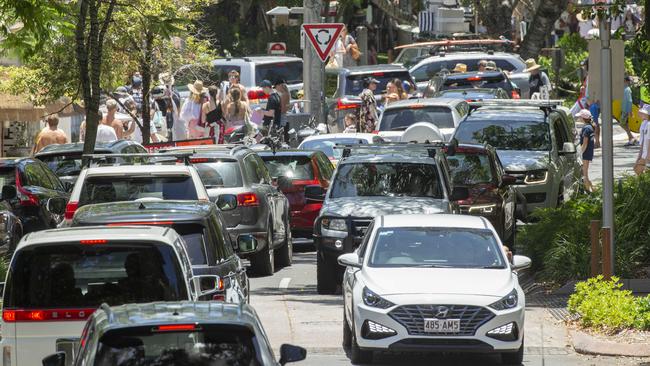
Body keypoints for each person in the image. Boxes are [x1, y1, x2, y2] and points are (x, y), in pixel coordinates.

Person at [576, 109, 595, 192]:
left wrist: (580, 154)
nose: (578, 118)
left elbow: (585, 143)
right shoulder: (589, 127)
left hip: (585, 153)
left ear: (583, 118)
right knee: (585, 173)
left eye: (580, 116)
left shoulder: (586, 129)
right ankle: (594, 190)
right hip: (588, 153)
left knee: (585, 174)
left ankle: (589, 191)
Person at [634, 104, 650, 175]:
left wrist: (647, 156)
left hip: (647, 152)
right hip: (645, 152)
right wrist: (639, 155)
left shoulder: (648, 124)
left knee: (638, 169)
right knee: (637, 169)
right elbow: (643, 141)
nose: (641, 114)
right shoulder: (644, 123)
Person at [622, 75, 636, 146]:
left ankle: (631, 137)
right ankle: (631, 138)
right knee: (625, 124)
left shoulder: (627, 89)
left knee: (623, 123)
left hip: (626, 110)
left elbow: (630, 101)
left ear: (626, 81)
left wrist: (630, 111)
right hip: (625, 109)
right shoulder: (626, 89)